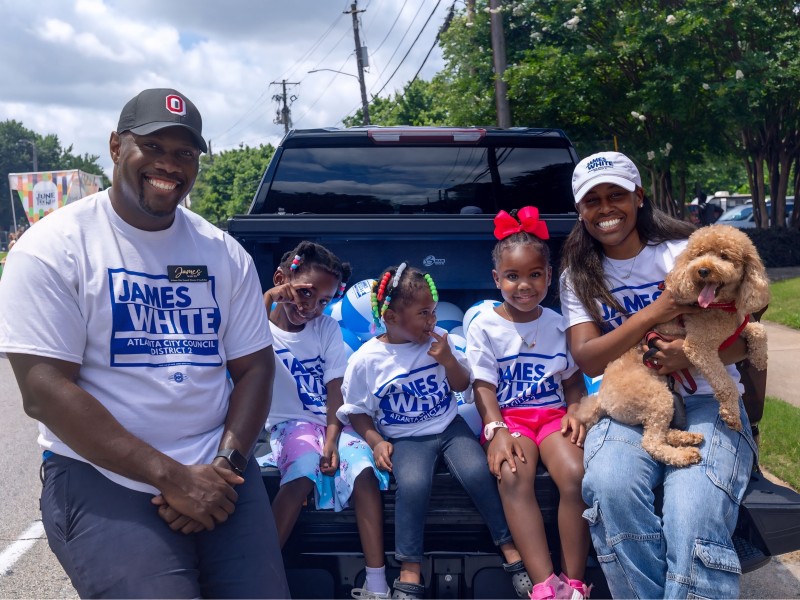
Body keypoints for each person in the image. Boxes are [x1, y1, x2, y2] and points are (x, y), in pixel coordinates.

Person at [0, 88, 289, 599]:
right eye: (153, 147)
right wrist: (172, 478)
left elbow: (255, 369)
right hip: (102, 474)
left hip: (218, 474)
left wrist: (224, 467)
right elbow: (43, 390)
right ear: (115, 147)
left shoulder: (222, 253)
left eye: (184, 153)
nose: (169, 164)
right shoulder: (54, 249)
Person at [559, 151, 758, 599]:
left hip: (709, 401)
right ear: (580, 211)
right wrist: (658, 311)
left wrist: (687, 357)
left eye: (616, 195)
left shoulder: (684, 253)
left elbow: (747, 336)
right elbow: (589, 360)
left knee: (692, 514)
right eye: (593, 200)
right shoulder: (579, 276)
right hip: (632, 405)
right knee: (609, 488)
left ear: (639, 197)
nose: (606, 208)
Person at [337, 263, 529, 600]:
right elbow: (357, 412)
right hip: (406, 437)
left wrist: (449, 361)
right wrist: (377, 441)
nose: (433, 320)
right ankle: (410, 571)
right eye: (423, 313)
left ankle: (510, 550)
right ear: (392, 319)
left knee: (479, 472)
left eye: (434, 311)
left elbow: (462, 384)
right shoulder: (367, 360)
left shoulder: (439, 341)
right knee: (411, 486)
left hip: (449, 427)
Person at [467, 206, 591, 599]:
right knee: (513, 473)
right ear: (496, 279)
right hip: (511, 421)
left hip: (553, 416)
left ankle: (574, 583)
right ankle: (545, 585)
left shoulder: (558, 324)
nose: (525, 285)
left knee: (575, 472)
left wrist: (576, 411)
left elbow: (572, 381)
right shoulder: (484, 326)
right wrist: (496, 430)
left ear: (549, 276)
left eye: (535, 275)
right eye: (513, 277)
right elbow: (484, 388)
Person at [263, 240, 391, 599]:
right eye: (305, 293)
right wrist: (272, 295)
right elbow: (244, 329)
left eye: (323, 301)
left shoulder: (326, 330)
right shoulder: (259, 326)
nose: (311, 307)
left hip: (334, 422)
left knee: (363, 471)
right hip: (291, 425)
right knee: (302, 472)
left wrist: (333, 439)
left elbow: (336, 391)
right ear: (281, 281)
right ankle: (260, 578)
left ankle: (377, 585)